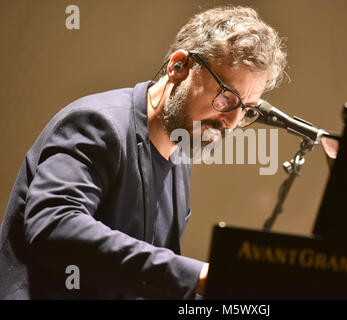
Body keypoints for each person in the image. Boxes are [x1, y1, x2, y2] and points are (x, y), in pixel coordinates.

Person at [0, 6, 287, 299]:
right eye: (227, 97)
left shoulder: (180, 154)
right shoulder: (99, 123)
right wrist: (196, 275)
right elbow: (53, 226)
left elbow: (146, 282)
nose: (232, 122)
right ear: (179, 67)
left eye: (246, 110)